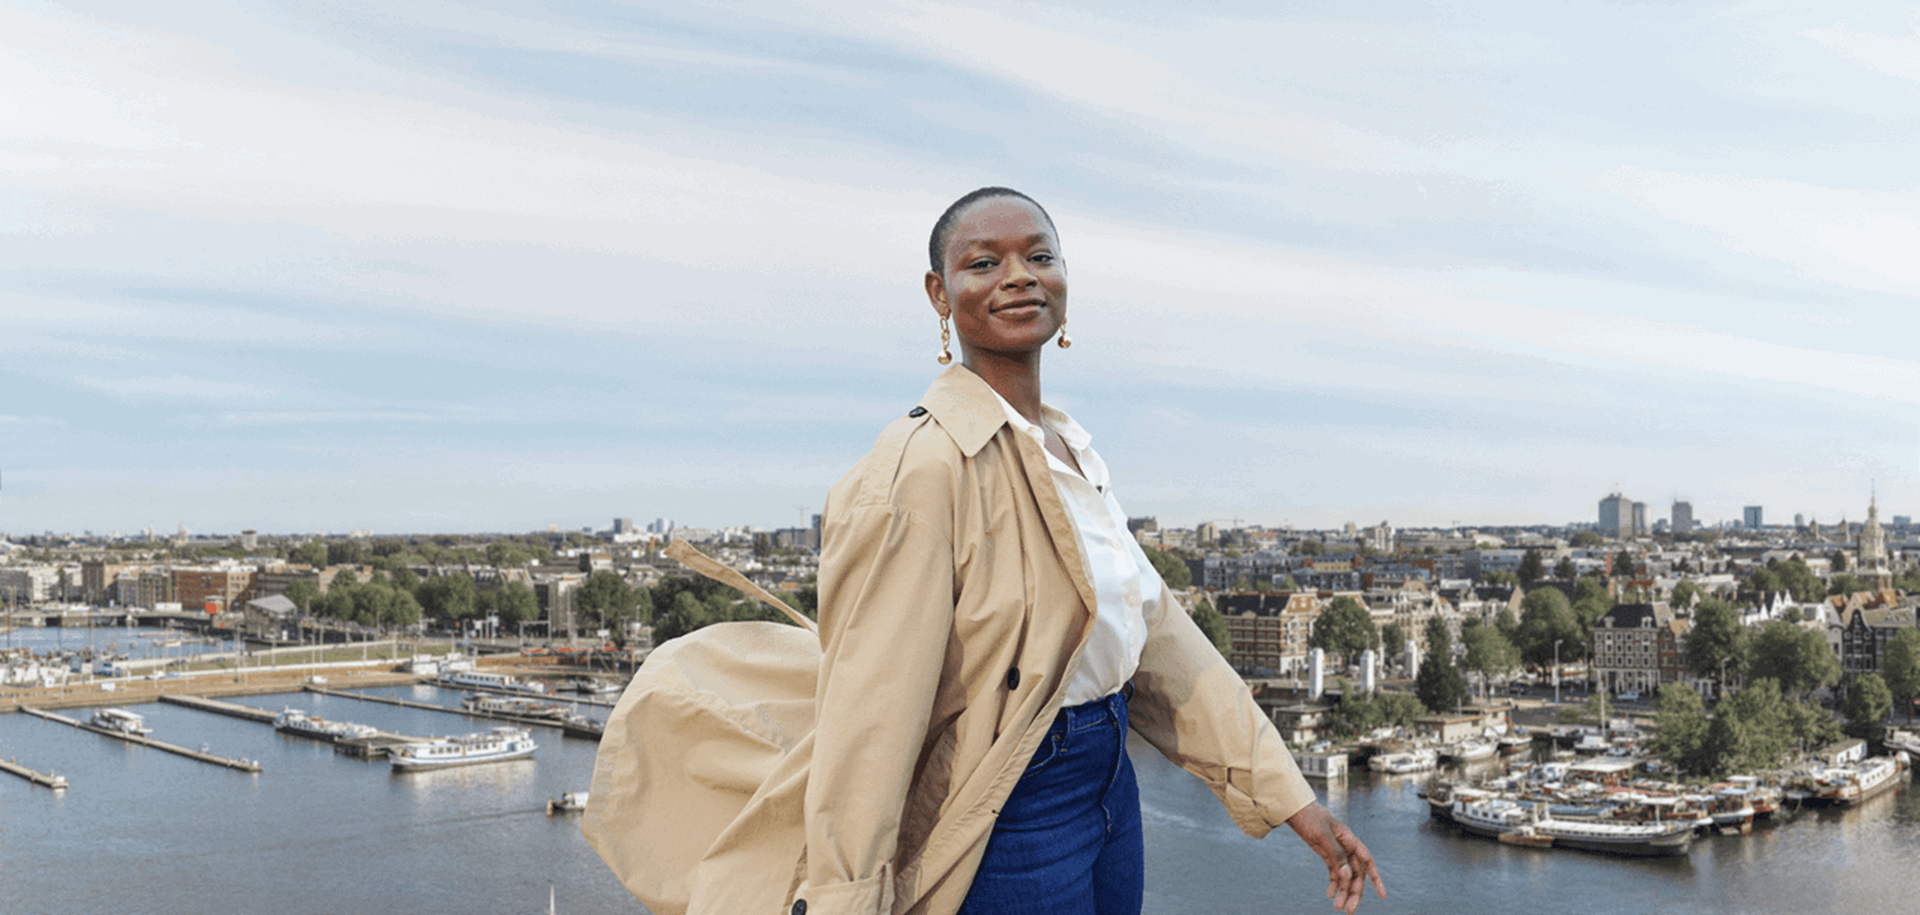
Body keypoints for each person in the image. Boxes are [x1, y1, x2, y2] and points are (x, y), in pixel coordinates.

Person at [784, 187, 1386, 915]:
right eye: (985, 262)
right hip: (1007, 811)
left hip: (1109, 787)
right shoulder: (920, 468)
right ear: (939, 294)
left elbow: (1159, 644)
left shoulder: (1071, 450)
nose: (1019, 275)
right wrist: (846, 900)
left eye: (1040, 255)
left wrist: (1293, 802)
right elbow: (869, 714)